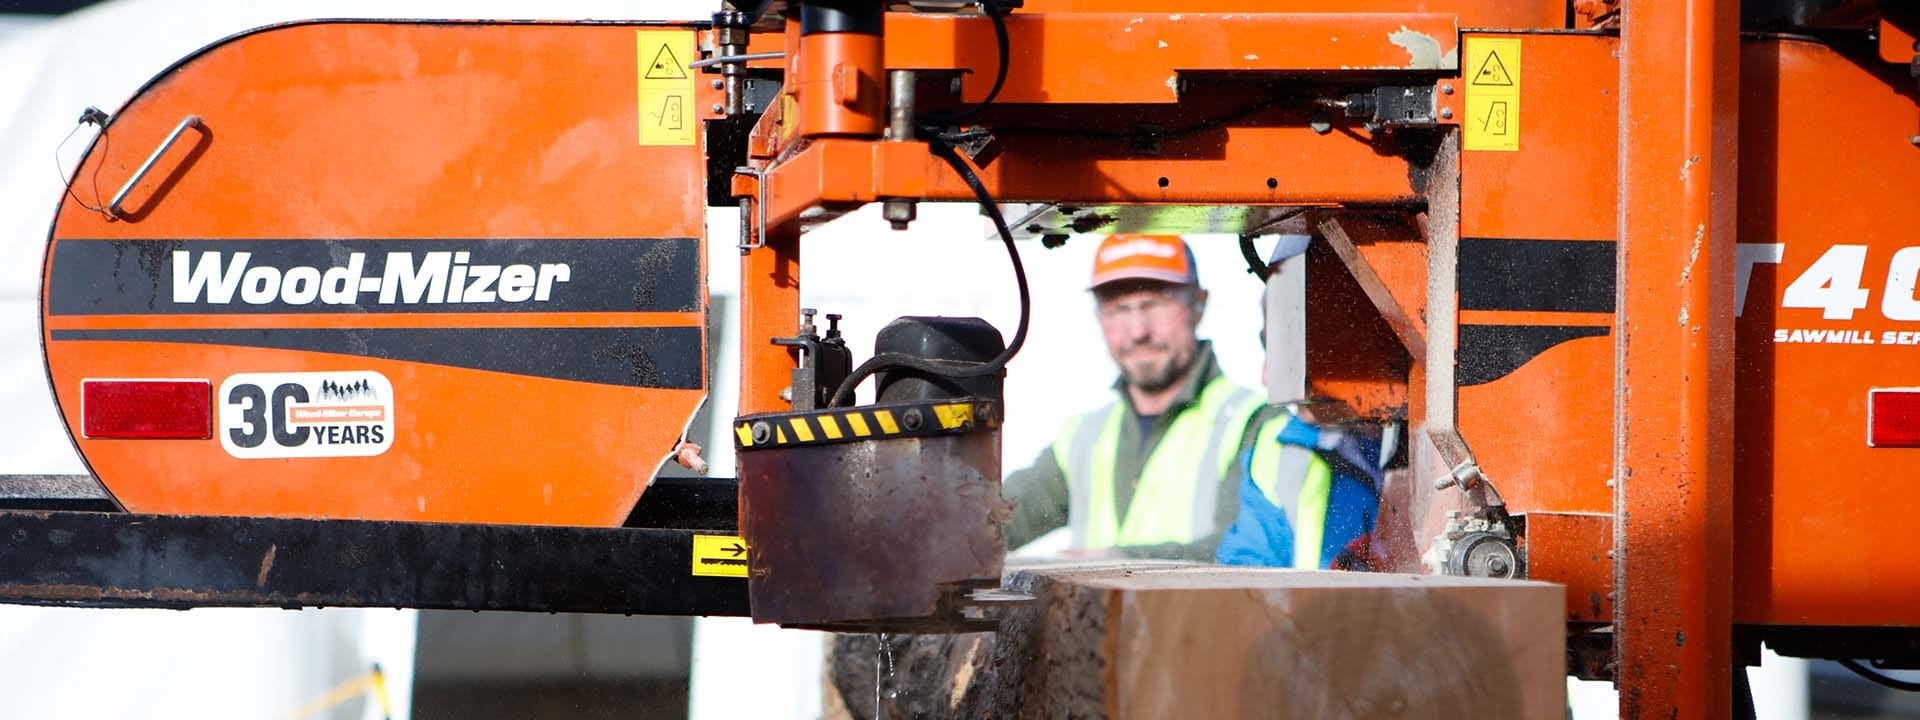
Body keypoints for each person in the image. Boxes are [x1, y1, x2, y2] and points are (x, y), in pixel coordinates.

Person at [1001, 234, 1265, 560]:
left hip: (1207, 613)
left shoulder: (1253, 423)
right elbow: (998, 521)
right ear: (1099, 317)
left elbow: (1253, 550)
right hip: (1099, 614)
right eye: (1119, 309)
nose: (1138, 330)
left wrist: (1119, 564)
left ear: (1199, 304)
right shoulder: (1084, 438)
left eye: (1155, 304)